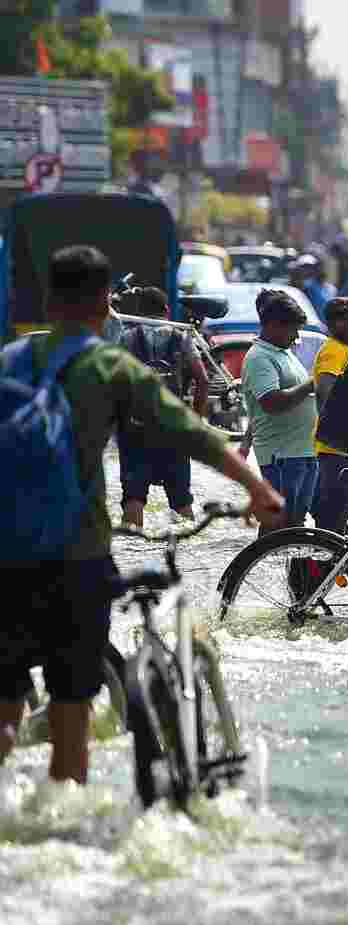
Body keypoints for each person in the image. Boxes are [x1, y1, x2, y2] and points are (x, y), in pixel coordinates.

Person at [0, 245, 284, 786]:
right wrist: (258, 488)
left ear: (49, 300)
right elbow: (190, 430)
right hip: (75, 559)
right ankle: (64, 824)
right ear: (105, 301)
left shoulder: (10, 361)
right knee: (70, 714)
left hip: (4, 557)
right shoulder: (108, 365)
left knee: (5, 712)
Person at [113, 286, 211, 529]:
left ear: (139, 311)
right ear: (166, 310)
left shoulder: (126, 338)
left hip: (135, 430)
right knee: (181, 501)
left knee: (133, 498)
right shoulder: (182, 337)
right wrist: (195, 421)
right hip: (175, 428)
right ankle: (186, 561)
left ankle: (131, 555)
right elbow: (203, 380)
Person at [242, 289, 321, 533]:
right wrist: (313, 382)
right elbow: (272, 403)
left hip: (303, 452)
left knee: (296, 530)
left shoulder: (283, 353)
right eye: (293, 329)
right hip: (281, 457)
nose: (297, 336)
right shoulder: (259, 358)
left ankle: (296, 573)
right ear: (274, 326)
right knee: (277, 530)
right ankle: (256, 570)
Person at [312, 296, 348, 535]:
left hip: (341, 449)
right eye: (343, 319)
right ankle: (321, 571)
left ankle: (339, 571)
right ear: (331, 324)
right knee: (332, 522)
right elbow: (327, 393)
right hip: (334, 450)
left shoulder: (347, 351)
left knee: (338, 520)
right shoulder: (334, 350)